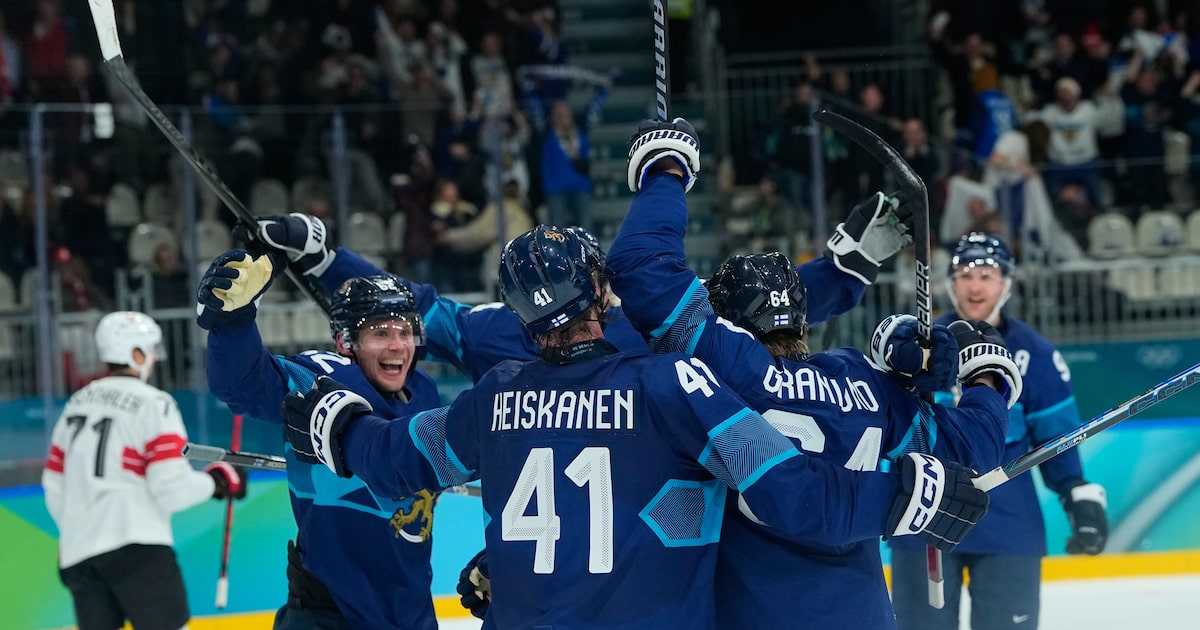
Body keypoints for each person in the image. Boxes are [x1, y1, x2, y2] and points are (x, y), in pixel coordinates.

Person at [279, 225, 991, 629]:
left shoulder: (493, 394)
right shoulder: (671, 379)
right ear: (597, 290)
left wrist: (338, 428)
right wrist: (903, 496)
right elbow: (792, 495)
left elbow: (396, 458)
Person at [607, 118, 1023, 629]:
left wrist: (666, 166)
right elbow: (971, 450)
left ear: (730, 320)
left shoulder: (722, 371)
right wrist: (986, 376)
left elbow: (643, 271)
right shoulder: (865, 382)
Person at [195, 249, 443, 630]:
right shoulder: (316, 380)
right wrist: (235, 322)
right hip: (329, 614)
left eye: (405, 331)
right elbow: (243, 384)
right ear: (345, 342)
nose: (397, 346)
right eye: (380, 333)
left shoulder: (424, 391)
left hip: (408, 612)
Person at [889, 232, 1109, 630]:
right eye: (966, 274)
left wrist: (1077, 492)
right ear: (950, 281)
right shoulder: (916, 347)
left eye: (987, 275)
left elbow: (1056, 437)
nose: (975, 285)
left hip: (1007, 523)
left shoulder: (1034, 352)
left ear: (1006, 283)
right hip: (922, 516)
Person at [42, 311, 246, 630]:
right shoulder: (154, 403)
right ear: (135, 353)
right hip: (137, 549)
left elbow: (54, 483)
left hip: (78, 555)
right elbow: (170, 488)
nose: (153, 358)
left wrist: (81, 527)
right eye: (149, 350)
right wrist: (217, 482)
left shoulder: (76, 403)